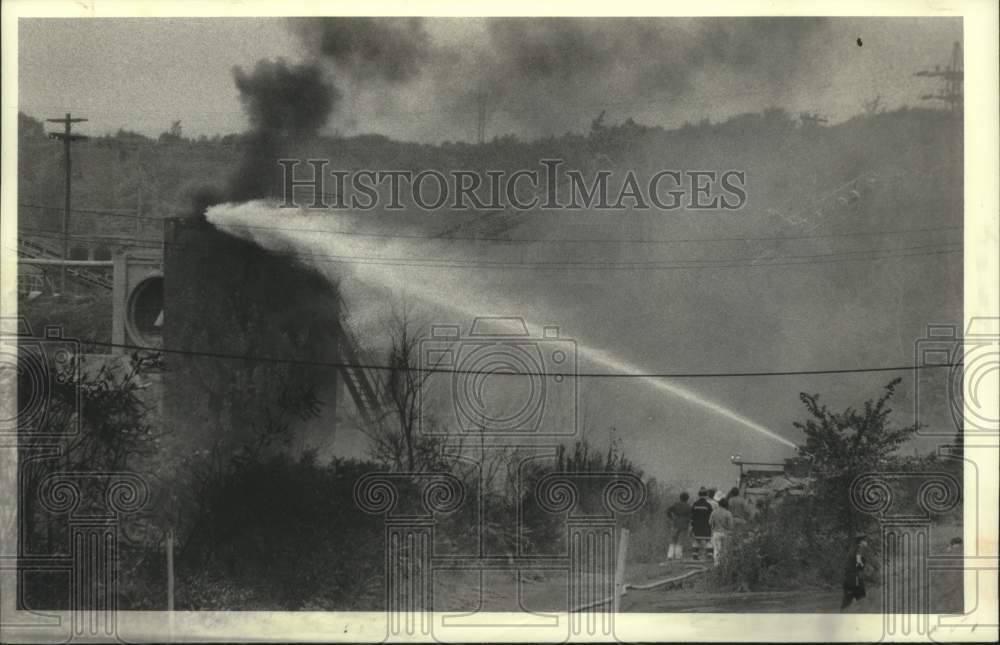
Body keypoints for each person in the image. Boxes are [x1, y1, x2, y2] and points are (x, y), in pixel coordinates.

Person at [840, 532, 869, 611]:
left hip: (849, 578)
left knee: (846, 602)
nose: (866, 542)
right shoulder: (859, 549)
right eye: (865, 540)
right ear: (861, 542)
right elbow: (858, 560)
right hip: (856, 579)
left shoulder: (852, 549)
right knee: (862, 601)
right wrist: (860, 563)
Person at [663, 491, 691, 562]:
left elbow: (668, 510)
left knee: (673, 539)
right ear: (687, 499)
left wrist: (671, 518)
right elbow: (691, 515)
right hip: (684, 524)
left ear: (680, 498)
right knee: (680, 540)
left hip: (676, 522)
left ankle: (670, 555)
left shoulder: (676, 504)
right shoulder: (689, 506)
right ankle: (678, 556)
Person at [709, 497, 735, 567]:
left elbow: (710, 522)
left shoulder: (714, 512)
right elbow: (731, 525)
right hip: (726, 533)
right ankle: (724, 565)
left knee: (717, 549)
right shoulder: (728, 513)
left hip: (716, 533)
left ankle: (717, 565)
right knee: (725, 550)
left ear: (719, 504)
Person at [689, 487, 714, 561]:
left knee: (696, 540)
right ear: (706, 495)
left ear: (698, 495)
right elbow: (711, 517)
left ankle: (695, 556)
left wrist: (692, 526)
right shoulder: (708, 505)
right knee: (708, 541)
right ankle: (709, 556)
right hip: (706, 526)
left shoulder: (695, 504)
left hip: (696, 526)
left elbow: (692, 516)